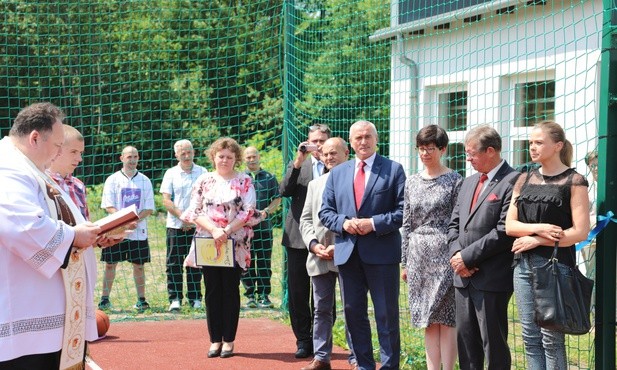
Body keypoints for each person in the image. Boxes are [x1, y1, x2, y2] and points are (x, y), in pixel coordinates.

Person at [0, 102, 112, 369]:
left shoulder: (28, 167)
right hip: (26, 315)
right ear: (35, 137)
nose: (59, 153)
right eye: (58, 145)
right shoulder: (9, 168)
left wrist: (92, 233)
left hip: (43, 313)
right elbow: (21, 224)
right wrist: (74, 236)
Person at [319, 120, 406, 370]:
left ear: (376, 139)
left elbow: (402, 212)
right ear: (351, 142)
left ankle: (390, 366)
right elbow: (326, 212)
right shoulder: (337, 173)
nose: (363, 142)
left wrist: (373, 223)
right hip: (348, 255)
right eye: (358, 138)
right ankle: (364, 365)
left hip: (382, 255)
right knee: (353, 314)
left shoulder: (393, 170)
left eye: (368, 136)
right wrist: (344, 223)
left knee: (386, 316)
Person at [505, 121, 590, 369]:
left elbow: (580, 231)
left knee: (552, 339)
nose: (532, 147)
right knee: (530, 338)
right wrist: (538, 229)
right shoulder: (523, 178)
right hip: (522, 266)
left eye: (539, 142)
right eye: (531, 142)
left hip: (556, 267)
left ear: (558, 146)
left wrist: (537, 240)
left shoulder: (574, 181)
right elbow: (510, 226)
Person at [447, 125, 519, 370]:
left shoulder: (514, 181)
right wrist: (457, 256)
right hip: (463, 278)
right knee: (466, 343)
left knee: (494, 345)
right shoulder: (467, 183)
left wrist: (467, 258)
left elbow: (503, 231)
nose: (468, 159)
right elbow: (454, 224)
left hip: (491, 277)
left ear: (490, 151)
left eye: (472, 153)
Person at [181, 137, 261, 359]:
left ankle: (229, 340)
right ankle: (215, 339)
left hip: (234, 243)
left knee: (230, 290)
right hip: (208, 241)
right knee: (212, 290)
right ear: (213, 157)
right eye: (221, 156)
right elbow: (194, 211)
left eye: (229, 157)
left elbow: (248, 212)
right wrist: (215, 231)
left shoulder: (244, 181)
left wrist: (226, 231)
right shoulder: (204, 180)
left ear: (236, 159)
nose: (224, 160)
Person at [401, 125, 462, 370]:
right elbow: (407, 223)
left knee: (447, 319)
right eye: (421, 149)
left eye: (430, 148)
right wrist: (404, 261)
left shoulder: (455, 180)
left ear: (443, 149)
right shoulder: (412, 182)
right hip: (418, 256)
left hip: (445, 255)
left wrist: (456, 255)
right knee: (427, 318)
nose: (425, 153)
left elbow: (459, 222)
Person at [299, 137, 356, 370]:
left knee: (352, 308)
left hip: (348, 254)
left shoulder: (355, 182)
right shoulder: (315, 184)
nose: (330, 157)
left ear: (346, 153)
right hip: (319, 256)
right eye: (325, 154)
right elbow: (305, 219)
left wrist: (339, 246)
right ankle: (321, 357)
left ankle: (356, 357)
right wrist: (313, 244)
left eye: (334, 153)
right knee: (321, 309)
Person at [280, 123, 331, 358]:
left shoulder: (336, 164)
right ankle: (303, 339)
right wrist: (298, 161)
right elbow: (284, 190)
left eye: (322, 141)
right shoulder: (302, 164)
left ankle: (323, 339)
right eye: (314, 141)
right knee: (299, 292)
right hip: (298, 238)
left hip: (328, 239)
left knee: (324, 293)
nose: (318, 146)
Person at [99, 145, 155, 311]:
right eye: (129, 157)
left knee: (138, 265)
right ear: (121, 158)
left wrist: (134, 219)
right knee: (110, 264)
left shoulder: (145, 180)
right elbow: (108, 206)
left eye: (135, 157)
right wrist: (123, 221)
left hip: (138, 231)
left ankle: (142, 300)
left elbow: (149, 208)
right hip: (115, 231)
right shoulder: (112, 179)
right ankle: (104, 299)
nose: (132, 160)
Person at [160, 139, 208, 312]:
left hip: (198, 225)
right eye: (183, 153)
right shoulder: (170, 173)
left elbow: (208, 199)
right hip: (175, 224)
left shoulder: (203, 172)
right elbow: (166, 200)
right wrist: (183, 217)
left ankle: (195, 297)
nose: (187, 156)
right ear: (176, 155)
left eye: (189, 152)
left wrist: (193, 219)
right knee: (174, 262)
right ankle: (175, 299)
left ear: (194, 152)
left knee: (196, 262)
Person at [241, 146, 281, 309]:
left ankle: (264, 295)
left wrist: (266, 212)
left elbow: (277, 199)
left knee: (264, 261)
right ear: (244, 159)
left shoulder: (269, 177)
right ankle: (250, 295)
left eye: (254, 156)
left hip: (264, 228)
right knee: (246, 261)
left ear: (259, 156)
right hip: (244, 229)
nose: (252, 159)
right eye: (248, 157)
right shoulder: (241, 178)